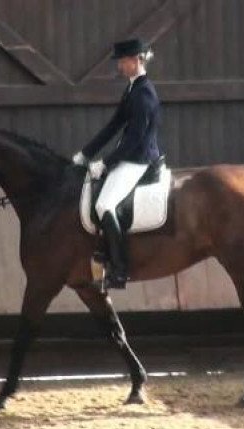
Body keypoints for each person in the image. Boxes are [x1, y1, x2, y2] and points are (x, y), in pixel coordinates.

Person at [73, 38, 162, 289]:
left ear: (137, 60)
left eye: (123, 61)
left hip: (140, 159)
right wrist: (85, 153)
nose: (120, 66)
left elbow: (134, 140)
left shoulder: (144, 94)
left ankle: (121, 270)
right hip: (131, 156)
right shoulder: (132, 88)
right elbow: (114, 125)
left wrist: (105, 162)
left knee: (104, 205)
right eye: (120, 62)